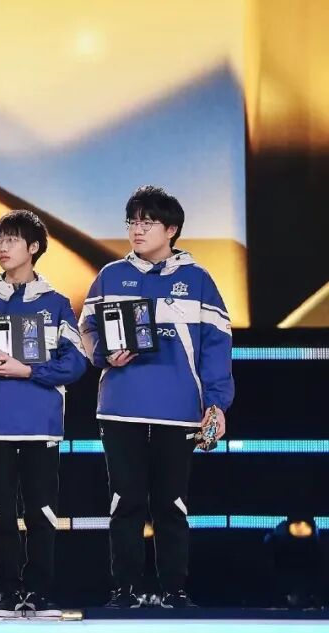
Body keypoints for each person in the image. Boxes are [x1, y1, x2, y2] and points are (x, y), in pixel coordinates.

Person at [79, 186, 234, 609]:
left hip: (179, 411)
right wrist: (104, 353)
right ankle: (124, 590)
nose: (137, 229)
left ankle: (175, 591)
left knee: (172, 505)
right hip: (120, 408)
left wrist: (216, 404)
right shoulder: (111, 275)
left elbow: (217, 346)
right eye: (132, 221)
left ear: (171, 230)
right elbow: (86, 330)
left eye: (147, 222)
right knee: (125, 502)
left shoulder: (198, 280)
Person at [0, 210, 87, 618]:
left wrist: (28, 371)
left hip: (42, 422)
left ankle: (39, 592)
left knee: (42, 512)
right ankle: (8, 592)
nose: (2, 248)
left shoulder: (56, 303)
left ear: (34, 247)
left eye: (11, 240)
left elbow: (76, 362)